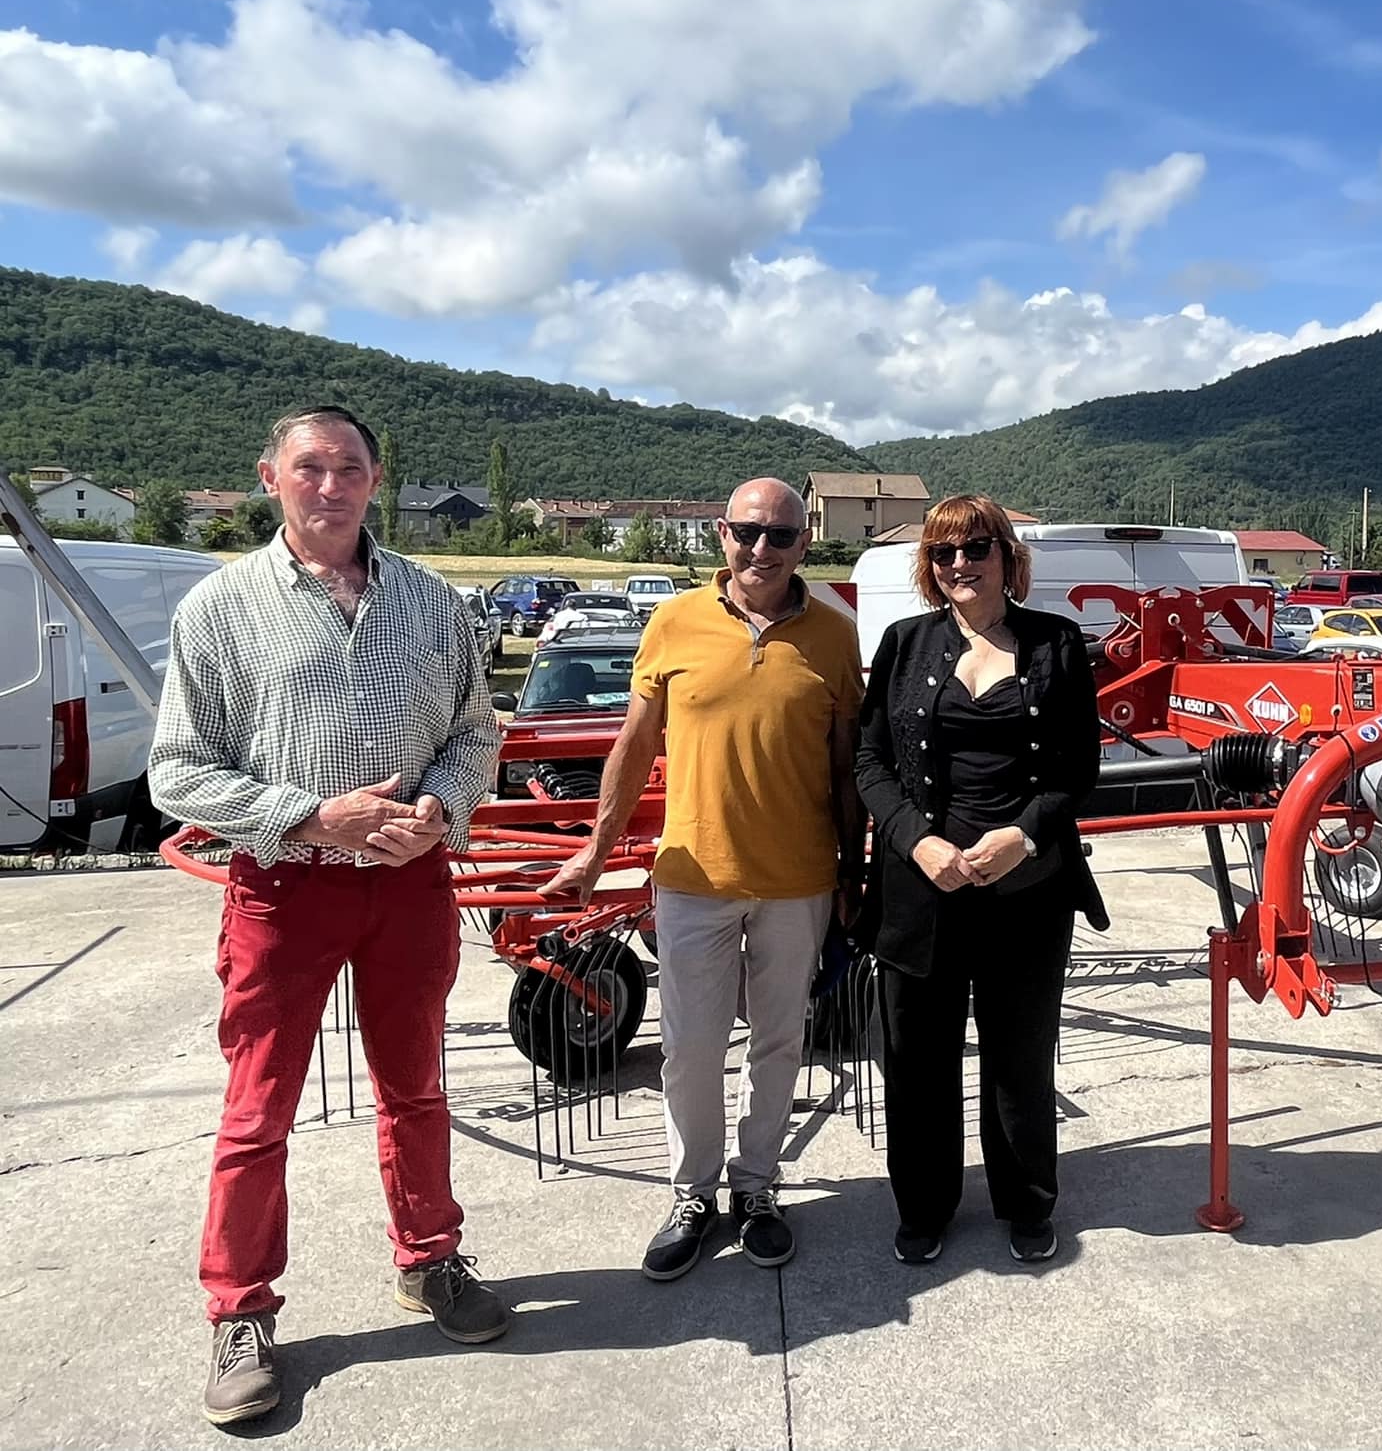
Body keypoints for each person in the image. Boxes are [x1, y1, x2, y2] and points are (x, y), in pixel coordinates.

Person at [148, 405, 508, 1428]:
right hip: (286, 885)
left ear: (376, 479)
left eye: (349, 467)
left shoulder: (433, 604)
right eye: (310, 467)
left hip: (407, 884)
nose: (330, 484)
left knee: (418, 1088)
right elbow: (177, 772)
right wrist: (315, 815)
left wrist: (439, 806)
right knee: (258, 1112)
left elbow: (476, 735)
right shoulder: (219, 609)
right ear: (270, 477)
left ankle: (430, 1260)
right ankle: (240, 1310)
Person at [540, 478, 863, 1281]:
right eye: (749, 532)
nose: (763, 550)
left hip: (797, 881)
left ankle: (757, 1189)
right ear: (722, 533)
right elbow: (634, 743)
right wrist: (593, 849)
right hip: (691, 874)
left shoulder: (833, 634)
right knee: (688, 1048)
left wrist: (854, 874)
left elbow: (848, 768)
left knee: (780, 1043)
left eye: (782, 536)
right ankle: (692, 1192)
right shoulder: (674, 620)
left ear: (804, 545)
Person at [855, 494, 1107, 1266]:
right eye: (944, 554)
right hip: (921, 887)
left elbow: (1076, 770)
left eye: (976, 549)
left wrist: (1025, 837)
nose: (961, 564)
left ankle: (1027, 1202)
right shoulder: (904, 643)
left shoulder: (1056, 643)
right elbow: (869, 762)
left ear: (1006, 556)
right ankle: (924, 1206)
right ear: (930, 568)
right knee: (918, 1058)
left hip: (1024, 892)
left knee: (1019, 1053)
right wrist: (916, 841)